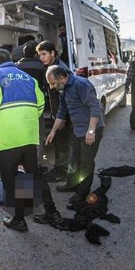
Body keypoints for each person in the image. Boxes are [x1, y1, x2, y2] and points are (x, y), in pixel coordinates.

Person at [0, 49, 60, 232]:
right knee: (35, 176)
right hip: (28, 136)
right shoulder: (27, 78)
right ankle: (52, 212)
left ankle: (18, 219)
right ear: (12, 61)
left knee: (8, 180)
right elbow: (40, 106)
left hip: (8, 137)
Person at [46, 65, 105, 206]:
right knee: (73, 159)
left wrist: (91, 131)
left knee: (86, 163)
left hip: (91, 129)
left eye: (53, 83)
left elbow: (95, 107)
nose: (52, 87)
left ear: (61, 78)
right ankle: (72, 184)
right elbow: (62, 110)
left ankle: (83, 193)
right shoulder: (63, 89)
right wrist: (53, 131)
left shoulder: (81, 84)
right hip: (77, 129)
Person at [36, 41, 72, 184]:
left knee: (63, 143)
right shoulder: (51, 67)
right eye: (39, 55)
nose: (41, 58)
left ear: (52, 53)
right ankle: (59, 169)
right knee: (58, 142)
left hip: (63, 114)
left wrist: (61, 117)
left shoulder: (60, 70)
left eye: (44, 54)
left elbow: (65, 97)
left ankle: (62, 173)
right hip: (57, 112)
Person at [17, 40, 48, 170]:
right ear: (35, 54)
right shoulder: (41, 66)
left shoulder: (16, 66)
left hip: (19, 106)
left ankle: (21, 164)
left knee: (21, 135)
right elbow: (46, 86)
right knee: (38, 135)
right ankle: (38, 164)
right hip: (36, 106)